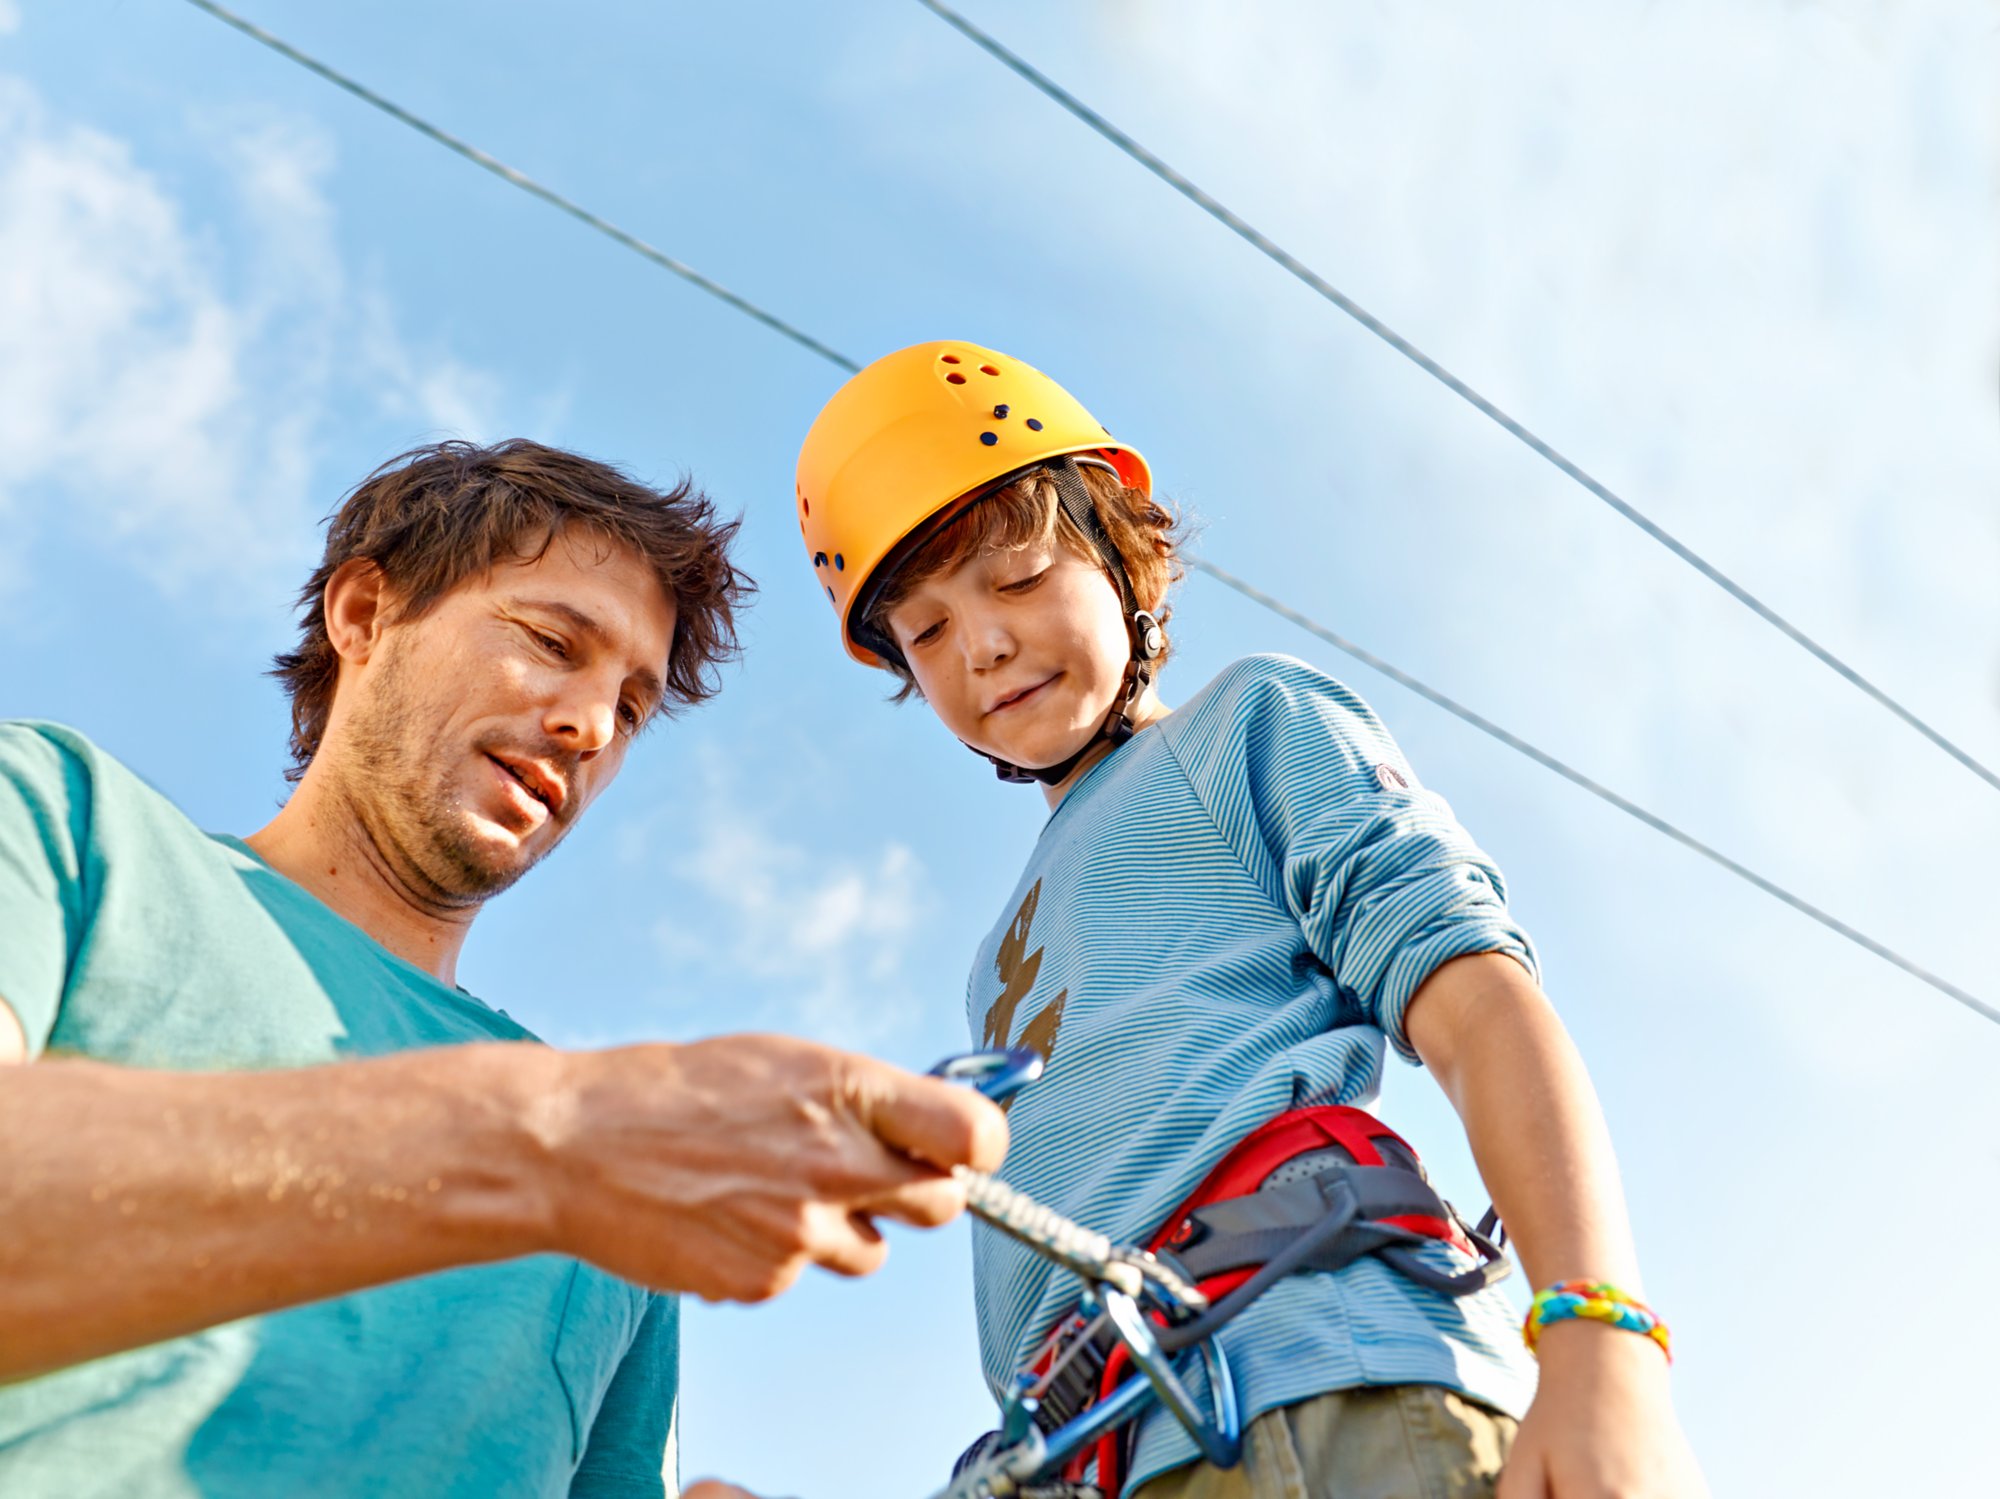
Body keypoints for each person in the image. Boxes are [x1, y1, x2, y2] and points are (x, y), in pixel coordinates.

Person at [0, 438, 1007, 1499]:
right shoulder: (61, 819)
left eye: (629, 706)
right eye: (549, 640)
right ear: (363, 614)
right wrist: (547, 1139)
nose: (586, 726)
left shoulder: (626, 1178)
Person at [791, 344, 1708, 1498]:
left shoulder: (1242, 728)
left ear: (1121, 548)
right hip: (1108, 1452)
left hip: (1319, 1387)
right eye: (923, 631)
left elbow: (1478, 1001)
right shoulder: (995, 962)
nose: (981, 643)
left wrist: (1596, 1332)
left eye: (1017, 575)